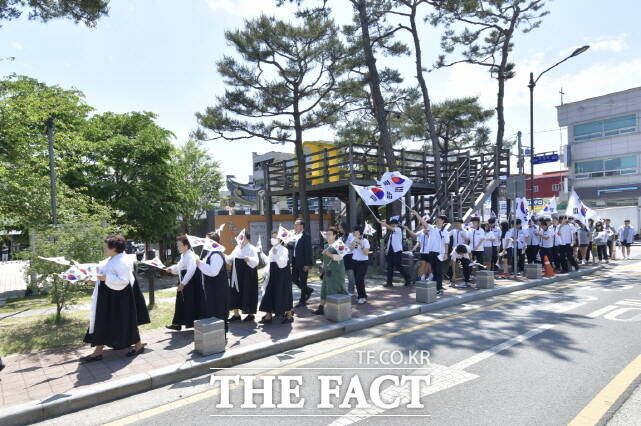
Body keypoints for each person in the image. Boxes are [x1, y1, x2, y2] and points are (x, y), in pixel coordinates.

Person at [81, 235, 147, 362]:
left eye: (107, 246)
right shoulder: (112, 259)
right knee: (107, 321)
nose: (105, 248)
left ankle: (136, 346)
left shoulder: (122, 261)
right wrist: (94, 279)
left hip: (119, 296)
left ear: (114, 248)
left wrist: (104, 278)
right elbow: (104, 274)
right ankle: (99, 350)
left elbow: (123, 281)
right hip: (109, 296)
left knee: (123, 321)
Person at [165, 235, 206, 331]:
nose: (178, 247)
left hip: (191, 284)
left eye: (179, 245)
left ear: (186, 246)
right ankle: (177, 323)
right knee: (180, 302)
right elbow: (180, 267)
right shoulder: (184, 255)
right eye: (177, 245)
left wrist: (183, 284)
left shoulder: (191, 255)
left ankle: (192, 323)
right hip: (185, 282)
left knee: (190, 303)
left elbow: (191, 271)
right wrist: (171, 269)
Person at [196, 232, 230, 333]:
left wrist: (200, 264)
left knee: (218, 310)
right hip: (212, 289)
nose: (205, 242)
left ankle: (220, 334)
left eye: (207, 240)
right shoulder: (210, 253)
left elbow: (213, 272)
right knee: (212, 310)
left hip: (218, 290)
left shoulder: (216, 255)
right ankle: (215, 332)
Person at [259, 231, 294, 324]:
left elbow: (282, 264)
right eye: (272, 237)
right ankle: (268, 315)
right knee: (269, 293)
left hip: (282, 275)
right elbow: (269, 261)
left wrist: (277, 254)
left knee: (284, 293)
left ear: (280, 239)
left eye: (275, 237)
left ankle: (289, 315)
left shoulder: (284, 249)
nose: (273, 239)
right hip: (273, 275)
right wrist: (262, 253)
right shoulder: (272, 249)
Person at [313, 227, 348, 315]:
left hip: (337, 272)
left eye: (329, 234)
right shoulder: (326, 245)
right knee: (324, 289)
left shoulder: (339, 244)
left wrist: (329, 254)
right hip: (327, 272)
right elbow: (325, 261)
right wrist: (322, 269)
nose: (327, 236)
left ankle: (338, 308)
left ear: (335, 235)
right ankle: (321, 308)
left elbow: (340, 257)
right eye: (326, 234)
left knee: (335, 289)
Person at [413, 211, 449, 295]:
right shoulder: (432, 228)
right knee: (434, 271)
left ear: (443, 221)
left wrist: (446, 254)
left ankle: (439, 288)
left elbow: (446, 243)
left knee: (439, 271)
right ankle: (435, 287)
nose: (437, 220)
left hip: (440, 254)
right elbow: (423, 222)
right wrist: (417, 214)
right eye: (437, 219)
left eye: (439, 219)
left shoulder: (445, 232)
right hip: (431, 253)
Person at [227, 231, 260, 322]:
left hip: (248, 274)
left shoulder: (252, 248)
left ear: (248, 239)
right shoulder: (237, 247)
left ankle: (250, 314)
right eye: (240, 237)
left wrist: (249, 259)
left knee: (248, 291)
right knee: (235, 292)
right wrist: (223, 255)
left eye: (243, 238)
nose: (241, 239)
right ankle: (236, 314)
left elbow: (256, 261)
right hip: (236, 274)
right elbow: (230, 259)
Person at [378, 217, 411, 287]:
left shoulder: (398, 230)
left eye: (394, 224)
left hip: (397, 251)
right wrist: (387, 249)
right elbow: (390, 242)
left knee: (398, 266)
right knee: (389, 267)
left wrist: (383, 223)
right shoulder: (391, 234)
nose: (393, 225)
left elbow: (391, 228)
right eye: (392, 224)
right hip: (390, 251)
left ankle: (407, 277)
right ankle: (389, 282)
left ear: (397, 225)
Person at [289, 219, 314, 307]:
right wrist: (286, 244)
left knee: (303, 281)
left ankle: (302, 300)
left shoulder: (306, 236)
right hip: (295, 261)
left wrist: (308, 264)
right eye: (294, 224)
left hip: (304, 262)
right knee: (294, 278)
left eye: (296, 224)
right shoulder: (295, 235)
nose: (295, 226)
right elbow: (294, 247)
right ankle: (308, 290)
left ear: (302, 226)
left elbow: (308, 251)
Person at [349, 225, 371, 304]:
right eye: (353, 232)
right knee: (357, 280)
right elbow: (350, 249)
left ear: (359, 232)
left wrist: (361, 244)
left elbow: (366, 253)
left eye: (355, 231)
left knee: (359, 279)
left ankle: (363, 297)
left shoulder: (365, 241)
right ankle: (360, 296)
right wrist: (354, 242)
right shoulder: (353, 239)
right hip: (355, 261)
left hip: (363, 262)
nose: (354, 233)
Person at [448, 218, 470, 284]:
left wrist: (464, 237)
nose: (456, 224)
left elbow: (467, 240)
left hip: (463, 251)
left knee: (466, 265)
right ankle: (452, 280)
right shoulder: (453, 231)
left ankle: (467, 280)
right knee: (452, 265)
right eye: (456, 223)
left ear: (461, 224)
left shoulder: (465, 231)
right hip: (455, 251)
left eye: (458, 223)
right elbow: (447, 235)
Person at [339, 223, 356, 296]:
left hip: (350, 257)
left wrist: (346, 249)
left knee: (350, 275)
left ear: (344, 228)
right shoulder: (342, 237)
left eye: (341, 228)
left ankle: (351, 291)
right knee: (342, 275)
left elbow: (353, 246)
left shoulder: (350, 236)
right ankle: (343, 290)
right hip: (343, 257)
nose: (340, 229)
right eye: (339, 228)